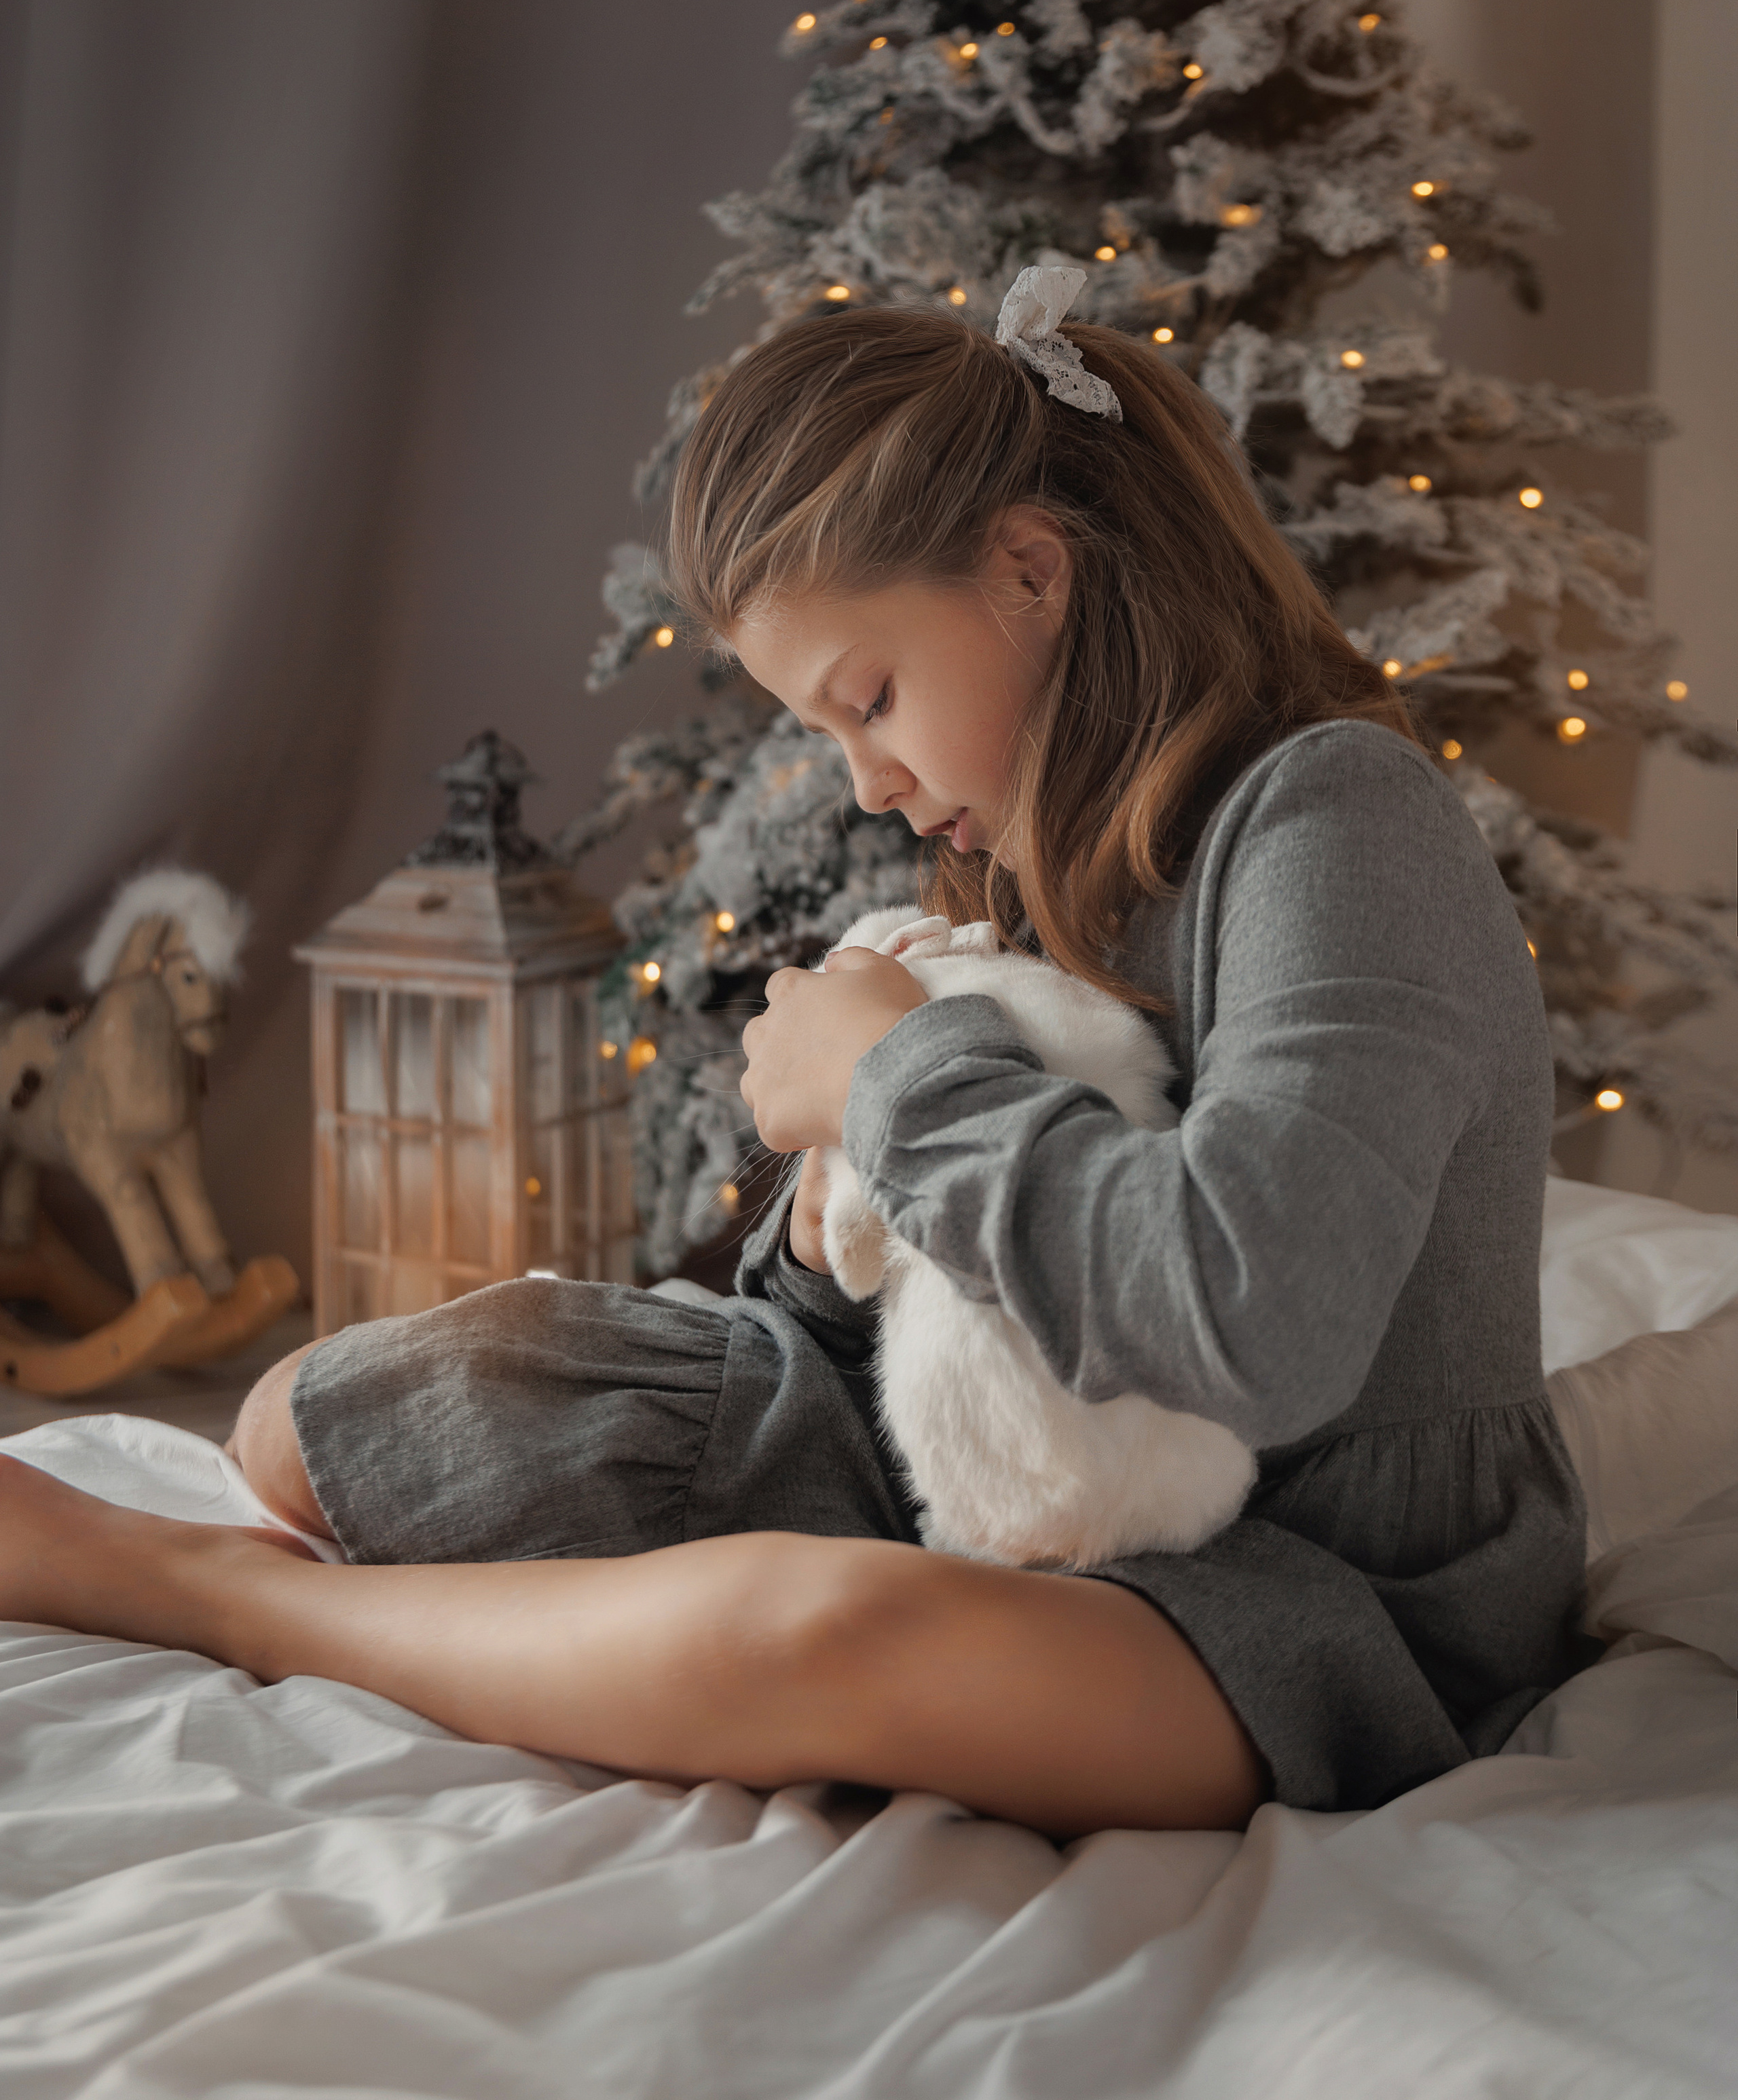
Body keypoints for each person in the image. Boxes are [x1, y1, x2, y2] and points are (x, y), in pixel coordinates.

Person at [0, 274, 1591, 1838]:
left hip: (1314, 1580)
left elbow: (1265, 1321)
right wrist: (835, 1191)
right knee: (307, 1422)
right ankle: (358, 1530)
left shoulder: (1330, 820)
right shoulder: (1037, 859)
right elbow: (897, 1316)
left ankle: (222, 1601)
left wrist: (894, 1086)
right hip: (975, 1485)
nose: (868, 786)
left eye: (870, 700)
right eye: (828, 736)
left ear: (1031, 570)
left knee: (814, 1634)